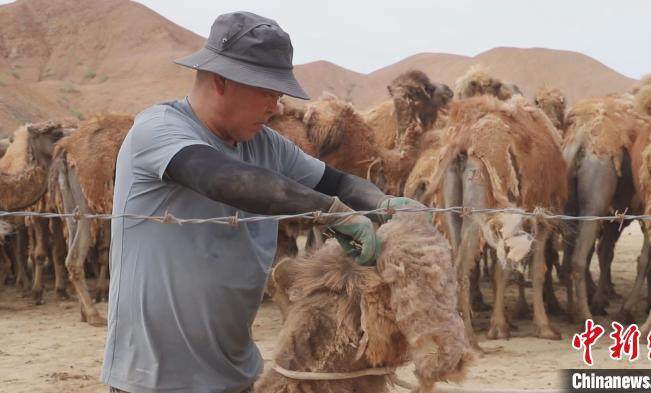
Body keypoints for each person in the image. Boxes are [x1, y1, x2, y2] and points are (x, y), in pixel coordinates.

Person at [101, 11, 422, 393]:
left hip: (236, 376)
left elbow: (336, 181)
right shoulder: (159, 129)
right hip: (152, 380)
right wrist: (331, 213)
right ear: (222, 81)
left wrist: (383, 203)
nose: (278, 107)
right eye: (267, 92)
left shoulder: (266, 145)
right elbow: (224, 179)